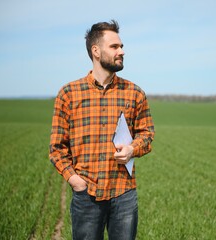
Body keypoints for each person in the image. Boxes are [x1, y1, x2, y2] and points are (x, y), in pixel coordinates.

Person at [49, 20, 155, 240]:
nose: (122, 51)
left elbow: (147, 134)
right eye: (115, 47)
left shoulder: (135, 93)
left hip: (124, 193)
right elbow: (57, 148)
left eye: (121, 46)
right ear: (96, 51)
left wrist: (132, 149)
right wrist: (74, 180)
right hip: (86, 195)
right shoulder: (68, 93)